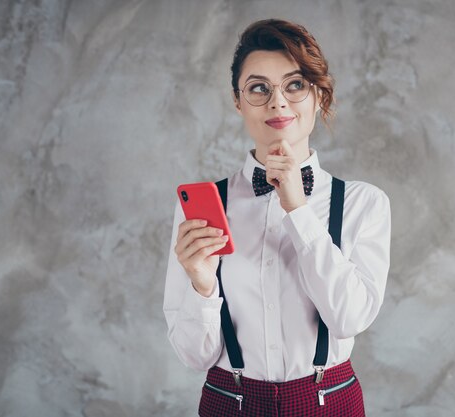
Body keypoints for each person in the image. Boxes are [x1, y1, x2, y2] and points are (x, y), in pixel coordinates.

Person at [163, 18, 390, 416]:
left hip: (328, 402)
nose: (277, 102)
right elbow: (194, 356)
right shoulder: (201, 208)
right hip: (229, 404)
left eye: (295, 84)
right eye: (258, 88)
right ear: (237, 101)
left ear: (318, 95)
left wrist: (299, 212)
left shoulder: (362, 203)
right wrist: (201, 285)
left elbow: (349, 318)